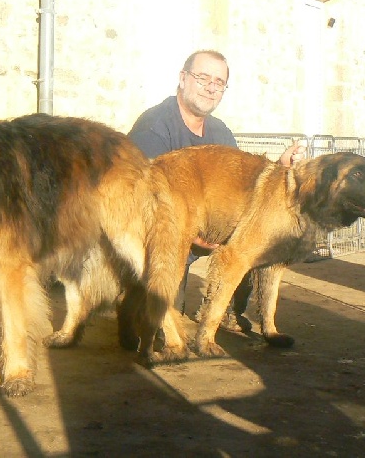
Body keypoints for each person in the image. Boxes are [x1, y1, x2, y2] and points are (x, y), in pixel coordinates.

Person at [128, 50, 304, 330]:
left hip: (209, 231)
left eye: (219, 82)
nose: (211, 87)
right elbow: (142, 201)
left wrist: (281, 167)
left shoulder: (220, 131)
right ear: (183, 79)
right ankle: (130, 305)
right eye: (203, 78)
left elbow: (242, 188)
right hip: (160, 238)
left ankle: (230, 310)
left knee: (256, 240)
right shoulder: (154, 128)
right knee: (159, 326)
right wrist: (195, 233)